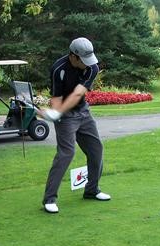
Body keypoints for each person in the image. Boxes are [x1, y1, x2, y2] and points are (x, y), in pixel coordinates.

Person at [39, 37, 111, 213]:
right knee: (66, 153)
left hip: (83, 112)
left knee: (96, 149)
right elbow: (56, 97)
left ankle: (92, 190)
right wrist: (57, 112)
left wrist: (58, 111)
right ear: (73, 56)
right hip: (67, 118)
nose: (88, 64)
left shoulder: (92, 67)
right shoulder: (58, 69)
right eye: (83, 60)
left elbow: (78, 94)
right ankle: (49, 199)